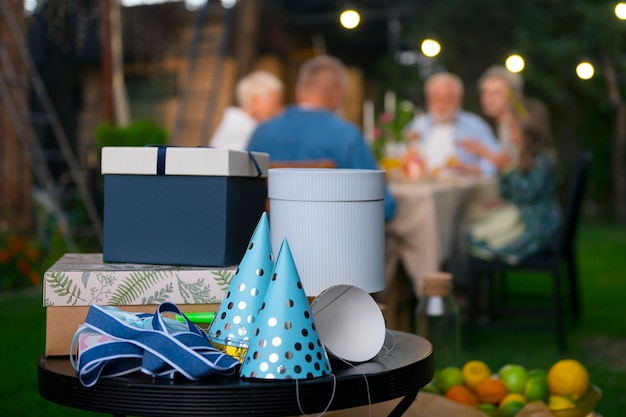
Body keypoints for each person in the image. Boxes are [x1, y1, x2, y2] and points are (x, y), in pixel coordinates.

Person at [247, 55, 396, 222]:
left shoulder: (261, 132)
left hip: (269, 244)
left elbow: (245, 197)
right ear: (338, 93)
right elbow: (384, 207)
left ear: (298, 91)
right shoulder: (348, 136)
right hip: (333, 244)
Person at [464, 99, 561, 264]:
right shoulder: (526, 159)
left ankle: (475, 285)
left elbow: (527, 192)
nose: (510, 135)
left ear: (528, 131)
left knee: (479, 239)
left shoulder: (542, 161)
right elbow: (509, 192)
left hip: (535, 228)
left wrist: (506, 168)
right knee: (474, 227)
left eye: (513, 129)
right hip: (526, 219)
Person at [404, 72, 501, 177]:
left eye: (447, 98)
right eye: (436, 98)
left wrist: (473, 169)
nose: (441, 104)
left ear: (458, 100)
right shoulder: (417, 125)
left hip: (462, 189)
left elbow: (497, 161)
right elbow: (402, 156)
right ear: (428, 100)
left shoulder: (475, 126)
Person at [209, 70, 284, 150]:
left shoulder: (245, 124)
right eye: (275, 103)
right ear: (255, 101)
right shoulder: (238, 127)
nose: (280, 110)